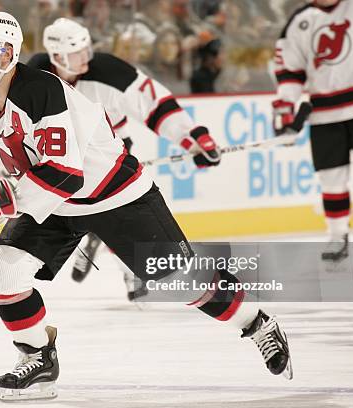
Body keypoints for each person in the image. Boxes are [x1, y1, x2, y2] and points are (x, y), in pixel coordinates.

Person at [0, 11, 293, 401]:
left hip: (118, 197)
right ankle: (38, 358)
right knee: (1, 269)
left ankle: (257, 324)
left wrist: (2, 200)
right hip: (55, 204)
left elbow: (66, 175)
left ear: (6, 52)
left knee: (179, 284)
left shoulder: (43, 91)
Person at [27, 18, 220, 300]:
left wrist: (192, 137)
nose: (86, 58)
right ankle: (92, 234)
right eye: (77, 53)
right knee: (72, 218)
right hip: (62, 163)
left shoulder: (109, 71)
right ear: (57, 56)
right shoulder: (36, 75)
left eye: (87, 50)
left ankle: (121, 260)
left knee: (119, 216)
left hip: (110, 162)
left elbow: (155, 102)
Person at [272, 0, 353, 259]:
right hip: (324, 115)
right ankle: (337, 235)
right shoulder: (300, 21)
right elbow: (290, 71)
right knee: (331, 178)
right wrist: (285, 106)